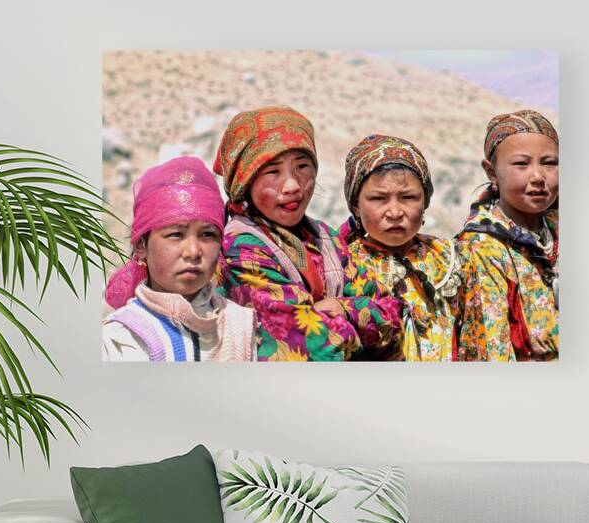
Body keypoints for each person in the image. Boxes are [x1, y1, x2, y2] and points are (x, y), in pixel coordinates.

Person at [214, 106, 400, 362]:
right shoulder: (240, 248)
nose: (292, 186)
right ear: (245, 181)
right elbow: (314, 344)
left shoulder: (326, 238)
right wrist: (361, 318)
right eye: (273, 172)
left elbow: (393, 315)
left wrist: (343, 309)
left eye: (302, 166)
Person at [102, 156, 256, 362]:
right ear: (141, 245)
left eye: (207, 234)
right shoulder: (120, 338)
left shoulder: (241, 326)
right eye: (176, 235)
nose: (193, 251)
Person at [340, 134, 458, 361]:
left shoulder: (450, 259)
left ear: (425, 202)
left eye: (408, 197)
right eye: (378, 198)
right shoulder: (344, 266)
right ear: (355, 205)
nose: (395, 213)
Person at [454, 110, 559, 361]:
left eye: (549, 163)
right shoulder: (481, 249)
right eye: (521, 164)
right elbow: (492, 348)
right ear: (492, 173)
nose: (538, 177)